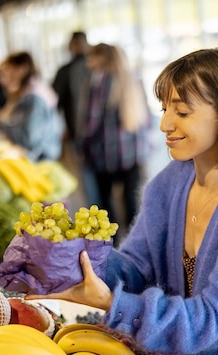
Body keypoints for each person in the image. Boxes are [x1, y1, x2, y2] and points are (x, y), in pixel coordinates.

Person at [27, 48, 218, 355]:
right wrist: (71, 255)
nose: (164, 124)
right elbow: (135, 267)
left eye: (182, 111)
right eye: (165, 108)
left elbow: (214, 319)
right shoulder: (170, 182)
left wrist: (114, 304)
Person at [76, 43, 151, 237]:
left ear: (102, 58)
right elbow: (147, 119)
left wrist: (81, 146)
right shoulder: (133, 79)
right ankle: (136, 247)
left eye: (91, 57)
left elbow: (91, 123)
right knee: (132, 204)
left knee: (106, 207)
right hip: (134, 154)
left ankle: (114, 248)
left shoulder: (99, 83)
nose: (88, 62)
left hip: (105, 155)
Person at [0, 51, 63, 161]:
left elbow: (28, 139)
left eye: (8, 71)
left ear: (22, 69)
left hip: (42, 160)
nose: (3, 79)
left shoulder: (35, 97)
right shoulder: (27, 91)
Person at [52, 31, 91, 143]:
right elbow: (55, 101)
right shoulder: (65, 71)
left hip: (77, 129)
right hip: (75, 128)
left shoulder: (66, 71)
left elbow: (54, 101)